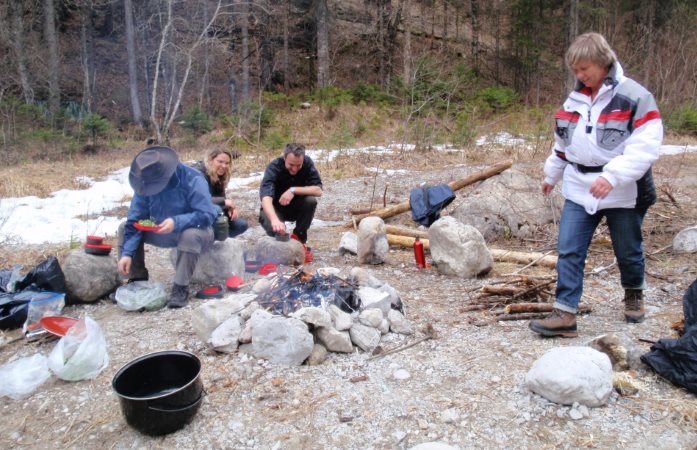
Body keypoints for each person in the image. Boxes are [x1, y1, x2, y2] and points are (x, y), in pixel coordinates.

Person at [529, 32, 663, 338]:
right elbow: (562, 143)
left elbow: (646, 146)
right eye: (575, 70)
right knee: (569, 249)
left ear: (604, 63)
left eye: (584, 69)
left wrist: (612, 176)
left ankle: (633, 292)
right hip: (578, 186)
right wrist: (552, 175)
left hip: (623, 191)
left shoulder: (636, 96)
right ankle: (565, 313)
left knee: (627, 250)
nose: (579, 75)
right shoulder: (573, 100)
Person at [117, 146, 218, 308]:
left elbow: (207, 215)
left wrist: (177, 222)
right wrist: (127, 253)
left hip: (199, 230)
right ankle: (137, 281)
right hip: (163, 231)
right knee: (124, 228)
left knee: (190, 235)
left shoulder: (193, 179)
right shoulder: (145, 182)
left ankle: (180, 288)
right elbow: (135, 220)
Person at [259, 143, 323, 262]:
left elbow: (318, 190)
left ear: (303, 159)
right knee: (274, 229)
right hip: (275, 209)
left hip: (296, 208)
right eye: (291, 165)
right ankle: (279, 246)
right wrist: (274, 220)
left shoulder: (308, 163)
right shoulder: (274, 167)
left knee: (310, 201)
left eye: (298, 165)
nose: (294, 169)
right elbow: (265, 197)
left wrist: (293, 190)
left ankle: (299, 239)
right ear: (284, 158)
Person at [192, 148, 248, 238]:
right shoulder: (197, 174)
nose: (224, 166)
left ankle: (216, 241)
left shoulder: (219, 174)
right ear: (210, 160)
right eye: (220, 162)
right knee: (217, 213)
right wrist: (224, 202)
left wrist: (229, 208)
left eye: (227, 163)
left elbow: (219, 196)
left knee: (241, 225)